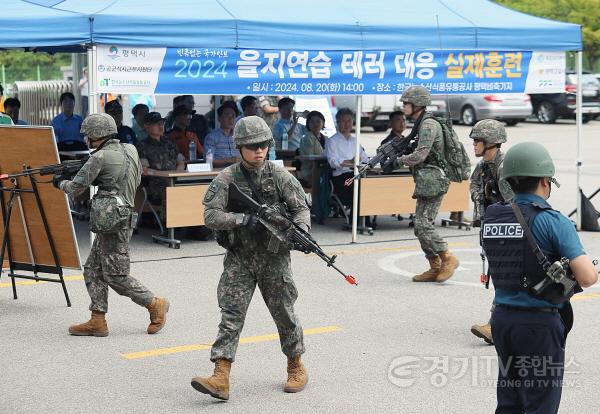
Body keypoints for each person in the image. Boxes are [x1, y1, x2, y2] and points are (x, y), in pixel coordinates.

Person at [191, 116, 310, 400]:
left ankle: (296, 365)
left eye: (264, 145)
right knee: (231, 314)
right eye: (252, 146)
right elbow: (210, 215)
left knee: (284, 312)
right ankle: (221, 375)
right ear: (240, 147)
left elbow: (301, 209)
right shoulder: (228, 178)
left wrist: (301, 233)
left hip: (274, 257)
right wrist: (242, 219)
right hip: (240, 258)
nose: (259, 151)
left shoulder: (280, 176)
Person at [484, 141, 597, 413]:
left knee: (510, 401)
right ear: (545, 181)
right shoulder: (553, 220)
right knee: (540, 403)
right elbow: (587, 277)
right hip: (538, 324)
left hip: (502, 320)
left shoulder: (492, 216)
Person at [54, 113, 169, 336]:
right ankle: (97, 320)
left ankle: (154, 303)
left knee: (116, 276)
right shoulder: (130, 149)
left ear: (95, 136)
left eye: (87, 135)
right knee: (93, 269)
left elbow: (76, 188)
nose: (86, 139)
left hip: (112, 220)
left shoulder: (99, 158)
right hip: (120, 216)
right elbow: (128, 178)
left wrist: (60, 182)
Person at [396, 85, 458, 283]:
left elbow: (421, 154)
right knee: (420, 226)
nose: (404, 106)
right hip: (427, 179)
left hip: (434, 179)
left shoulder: (428, 125)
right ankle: (435, 265)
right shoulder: (421, 122)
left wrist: (400, 160)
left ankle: (448, 257)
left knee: (423, 224)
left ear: (417, 104)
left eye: (406, 103)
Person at [466, 119, 514, 345]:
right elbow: (474, 184)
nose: (474, 145)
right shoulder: (484, 166)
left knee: (506, 279)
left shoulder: (505, 167)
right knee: (503, 279)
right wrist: (480, 197)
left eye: (478, 141)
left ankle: (496, 326)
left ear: (492, 143)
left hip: (509, 231)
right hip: (494, 228)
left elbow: (515, 203)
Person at [325, 108, 368, 220]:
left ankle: (365, 219)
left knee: (369, 185)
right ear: (337, 122)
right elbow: (332, 162)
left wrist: (361, 161)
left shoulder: (355, 141)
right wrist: (350, 162)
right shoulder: (332, 140)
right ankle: (356, 221)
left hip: (356, 174)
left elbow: (365, 158)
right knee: (357, 186)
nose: (346, 124)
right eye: (343, 121)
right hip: (341, 177)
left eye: (349, 120)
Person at [137, 112, 185, 206]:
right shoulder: (142, 146)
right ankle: (168, 220)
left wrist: (176, 175)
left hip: (175, 181)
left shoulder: (170, 143)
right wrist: (167, 175)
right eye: (156, 124)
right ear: (147, 126)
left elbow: (181, 162)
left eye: (162, 123)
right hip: (156, 187)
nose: (161, 126)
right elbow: (144, 171)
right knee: (169, 191)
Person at [203, 103, 241, 168]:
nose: (230, 119)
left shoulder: (239, 136)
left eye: (233, 116)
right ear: (219, 118)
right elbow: (208, 161)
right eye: (227, 115)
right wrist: (231, 160)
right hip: (220, 173)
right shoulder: (211, 137)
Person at [298, 110, 327, 184]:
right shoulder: (306, 138)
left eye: (318, 121)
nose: (315, 124)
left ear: (323, 123)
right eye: (312, 122)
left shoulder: (327, 138)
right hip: (310, 171)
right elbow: (310, 158)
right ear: (308, 124)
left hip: (324, 169)